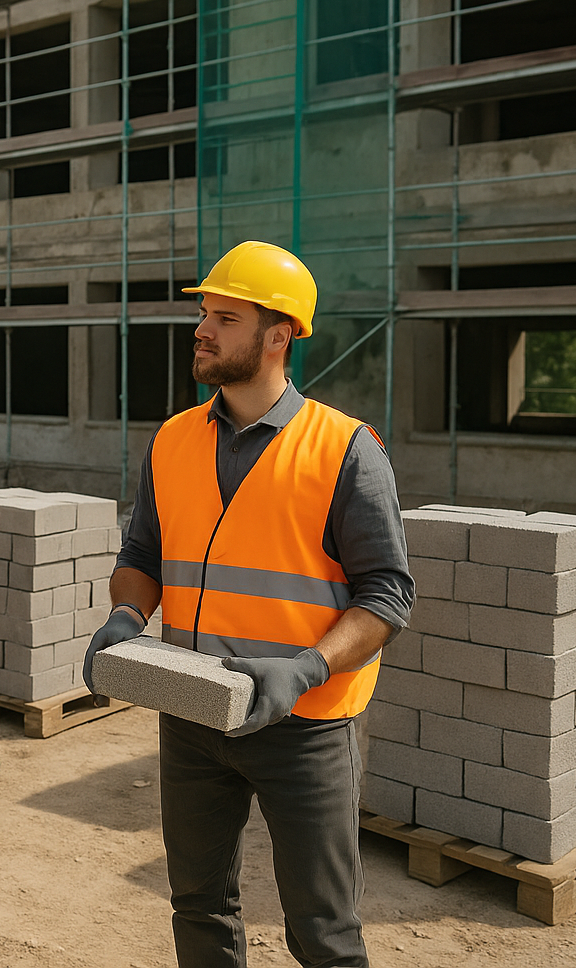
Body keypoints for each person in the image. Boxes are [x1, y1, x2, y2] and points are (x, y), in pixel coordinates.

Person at [83, 240, 415, 968]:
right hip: (193, 711)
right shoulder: (172, 440)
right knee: (199, 906)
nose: (201, 329)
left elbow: (387, 595)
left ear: (278, 336)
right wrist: (127, 619)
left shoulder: (345, 451)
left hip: (306, 726)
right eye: (204, 313)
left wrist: (305, 668)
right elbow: (140, 558)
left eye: (224, 317)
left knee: (323, 934)